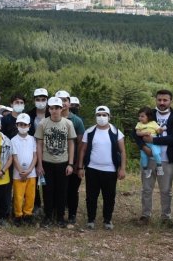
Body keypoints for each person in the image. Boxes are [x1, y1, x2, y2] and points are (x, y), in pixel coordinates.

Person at [134, 90, 173, 225]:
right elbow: (136, 132)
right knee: (146, 188)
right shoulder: (149, 113)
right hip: (149, 159)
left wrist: (153, 141)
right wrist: (144, 147)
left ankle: (166, 217)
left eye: (165, 100)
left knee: (166, 190)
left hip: (167, 159)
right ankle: (145, 215)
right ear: (156, 100)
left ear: (170, 101)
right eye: (159, 100)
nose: (162, 103)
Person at [77, 106, 127, 230]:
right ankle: (91, 219)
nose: (101, 117)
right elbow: (82, 150)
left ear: (109, 117)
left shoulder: (116, 132)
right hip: (92, 169)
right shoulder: (89, 132)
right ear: (95, 116)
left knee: (109, 196)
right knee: (91, 196)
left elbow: (123, 151)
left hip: (110, 170)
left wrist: (122, 168)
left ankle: (107, 220)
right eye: (99, 115)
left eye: (104, 115)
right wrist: (80, 167)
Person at [35, 96, 77, 227]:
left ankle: (60, 217)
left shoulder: (68, 124)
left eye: (57, 108)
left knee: (62, 190)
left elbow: (71, 144)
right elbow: (39, 144)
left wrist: (70, 164)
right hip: (47, 162)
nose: (54, 111)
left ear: (61, 108)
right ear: (49, 109)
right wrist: (40, 164)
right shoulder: (43, 123)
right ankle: (48, 217)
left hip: (62, 162)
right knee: (47, 190)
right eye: (52, 108)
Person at [56, 90, 86, 226]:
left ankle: (72, 214)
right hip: (56, 160)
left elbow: (80, 144)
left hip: (72, 161)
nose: (62, 103)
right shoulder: (50, 118)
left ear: (69, 103)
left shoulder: (76, 121)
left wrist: (78, 165)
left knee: (72, 190)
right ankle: (58, 214)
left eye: (65, 100)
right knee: (58, 189)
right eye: (59, 100)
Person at [10, 113, 37, 225]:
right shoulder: (13, 140)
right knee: (18, 195)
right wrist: (21, 171)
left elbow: (35, 156)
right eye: (20, 124)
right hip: (18, 174)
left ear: (29, 126)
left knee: (30, 195)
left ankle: (28, 214)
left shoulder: (32, 139)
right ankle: (18, 215)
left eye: (25, 124)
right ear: (17, 125)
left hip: (31, 173)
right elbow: (14, 157)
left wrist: (29, 170)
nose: (23, 126)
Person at [135, 107, 163, 178]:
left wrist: (160, 130)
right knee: (143, 157)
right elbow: (137, 133)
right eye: (139, 116)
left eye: (142, 116)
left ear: (148, 116)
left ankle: (159, 167)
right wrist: (144, 133)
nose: (140, 118)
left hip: (153, 142)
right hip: (145, 143)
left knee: (156, 153)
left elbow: (158, 130)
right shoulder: (139, 124)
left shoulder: (153, 123)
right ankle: (146, 170)